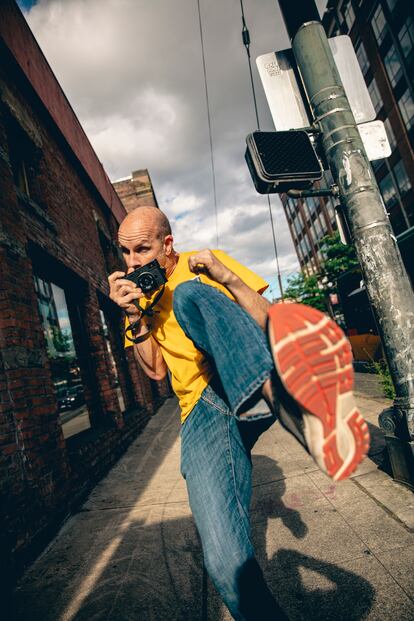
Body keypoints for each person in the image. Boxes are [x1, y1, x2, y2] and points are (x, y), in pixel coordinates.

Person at [108, 206, 370, 620]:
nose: (133, 261)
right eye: (125, 252)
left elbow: (269, 322)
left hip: (241, 375)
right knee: (226, 561)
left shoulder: (203, 265)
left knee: (192, 294)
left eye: (143, 248)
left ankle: (277, 394)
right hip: (202, 413)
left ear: (167, 244)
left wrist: (224, 277)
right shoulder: (139, 299)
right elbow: (156, 370)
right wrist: (134, 315)